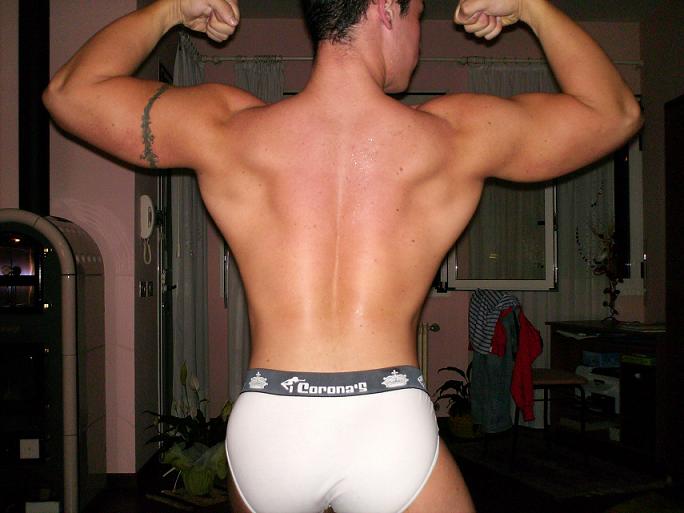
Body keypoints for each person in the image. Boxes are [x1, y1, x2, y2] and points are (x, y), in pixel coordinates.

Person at [43, 0, 642, 511]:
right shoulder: (455, 134)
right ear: (385, 8)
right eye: (417, 14)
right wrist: (531, 7)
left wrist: (171, 8)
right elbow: (614, 112)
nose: (420, 36)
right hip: (388, 418)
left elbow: (70, 93)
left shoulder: (226, 128)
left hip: (272, 423)